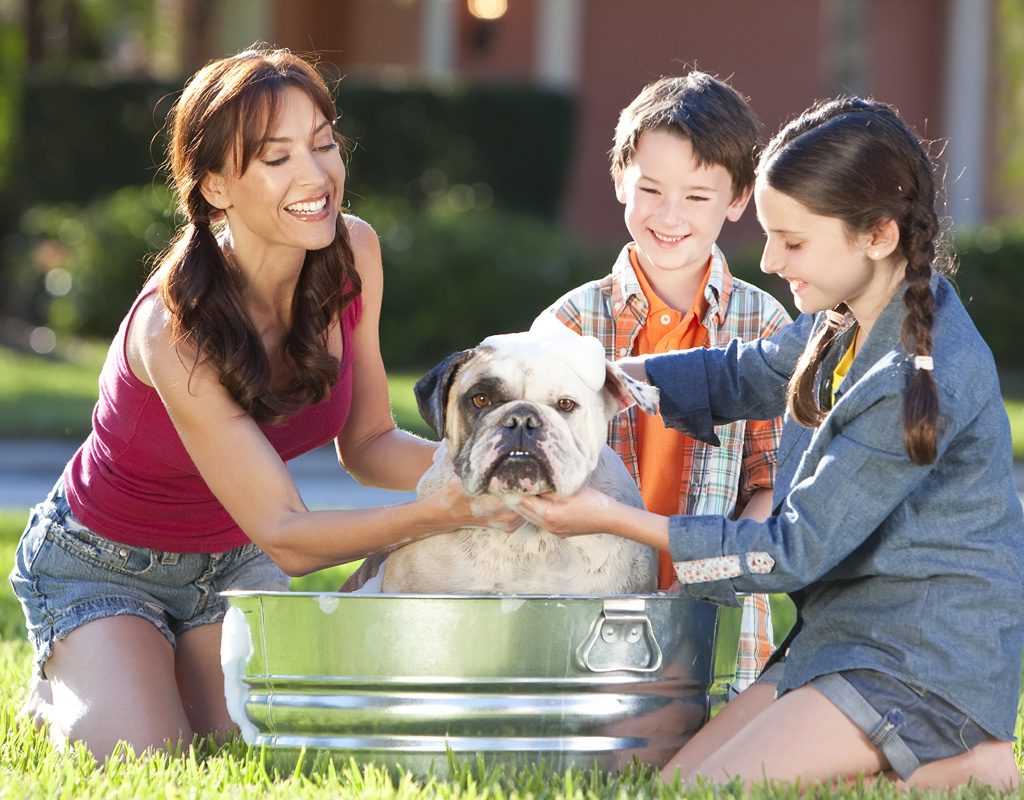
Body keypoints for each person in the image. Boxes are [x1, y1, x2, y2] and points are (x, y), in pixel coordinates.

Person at [8, 47, 515, 762]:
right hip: (105, 563)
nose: (315, 176)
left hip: (232, 563)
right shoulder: (173, 329)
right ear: (215, 186)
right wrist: (439, 513)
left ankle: (154, 670)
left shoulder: (353, 253)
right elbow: (285, 530)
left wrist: (486, 471)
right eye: (276, 159)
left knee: (261, 748)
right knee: (153, 756)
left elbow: (368, 443)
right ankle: (70, 681)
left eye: (323, 144)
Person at [519, 96, 1024, 790]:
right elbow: (742, 372)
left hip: (917, 661)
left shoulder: (913, 374)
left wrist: (610, 519)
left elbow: (788, 550)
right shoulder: (846, 315)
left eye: (792, 241)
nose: (768, 258)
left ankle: (962, 755)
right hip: (838, 639)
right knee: (663, 786)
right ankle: (917, 768)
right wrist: (602, 376)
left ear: (876, 235)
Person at [538, 72, 791, 693]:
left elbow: (773, 481)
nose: (670, 215)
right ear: (620, 177)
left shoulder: (765, 325)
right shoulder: (567, 325)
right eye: (650, 188)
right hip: (582, 603)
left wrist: (713, 566)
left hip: (719, 610)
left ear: (738, 200)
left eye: (698, 197)